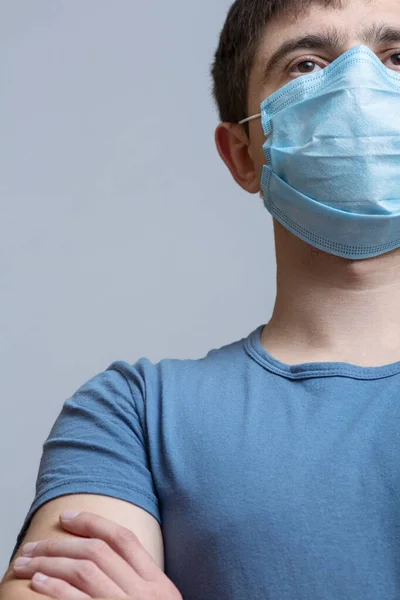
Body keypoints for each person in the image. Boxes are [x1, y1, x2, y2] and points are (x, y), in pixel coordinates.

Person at [2, 0, 400, 598]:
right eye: (307, 64)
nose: (360, 86)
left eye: (397, 58)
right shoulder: (134, 415)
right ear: (243, 153)